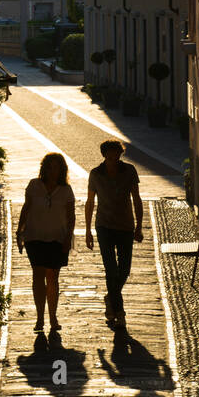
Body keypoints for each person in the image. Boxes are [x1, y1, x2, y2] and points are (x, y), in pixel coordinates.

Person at [85, 140, 143, 327]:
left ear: (120, 154)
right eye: (109, 155)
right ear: (104, 155)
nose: (112, 159)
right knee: (111, 269)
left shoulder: (129, 171)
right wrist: (87, 230)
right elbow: (90, 202)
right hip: (104, 226)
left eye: (116, 155)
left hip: (126, 225)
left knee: (124, 269)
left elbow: (136, 198)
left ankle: (110, 298)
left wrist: (139, 226)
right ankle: (119, 312)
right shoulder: (96, 174)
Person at [16, 152, 75, 334]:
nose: (53, 170)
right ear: (44, 168)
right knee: (37, 275)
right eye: (50, 167)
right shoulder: (34, 185)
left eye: (57, 167)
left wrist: (68, 238)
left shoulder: (66, 190)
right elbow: (26, 209)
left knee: (52, 277)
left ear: (62, 169)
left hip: (57, 238)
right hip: (34, 236)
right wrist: (19, 232)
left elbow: (71, 216)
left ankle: (53, 316)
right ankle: (40, 317)